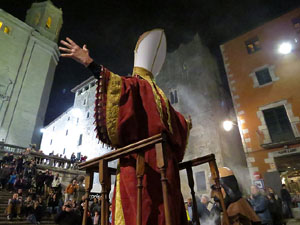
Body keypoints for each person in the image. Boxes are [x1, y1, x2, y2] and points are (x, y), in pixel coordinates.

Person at [60, 29, 191, 225]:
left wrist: (89, 63)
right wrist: (186, 124)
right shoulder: (161, 96)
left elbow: (116, 86)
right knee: (164, 212)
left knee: (142, 211)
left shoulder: (137, 85)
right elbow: (179, 124)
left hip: (141, 163)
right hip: (166, 166)